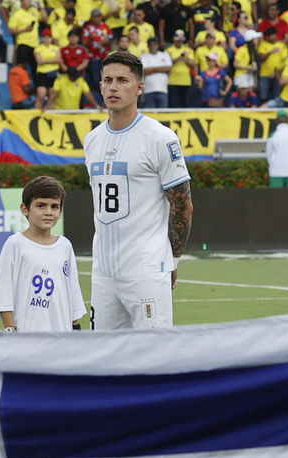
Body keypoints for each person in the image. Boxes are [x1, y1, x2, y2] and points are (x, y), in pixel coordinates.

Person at [84, 51, 193, 330]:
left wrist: (173, 258)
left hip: (146, 271)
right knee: (104, 359)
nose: (113, 87)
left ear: (139, 87)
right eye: (107, 80)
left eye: (122, 80)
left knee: (153, 359)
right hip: (103, 274)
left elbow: (182, 204)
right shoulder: (92, 140)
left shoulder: (160, 138)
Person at [0, 176, 86, 332]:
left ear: (60, 211)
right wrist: (11, 330)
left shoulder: (65, 246)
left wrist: (75, 331)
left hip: (61, 338)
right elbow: (3, 294)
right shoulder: (15, 244)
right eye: (41, 206)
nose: (48, 212)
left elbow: (72, 294)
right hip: (28, 337)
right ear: (25, 209)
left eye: (54, 206)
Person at [266, 110, 288, 187]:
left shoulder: (273, 135)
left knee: (276, 198)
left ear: (276, 121)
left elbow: (269, 154)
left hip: (276, 171)